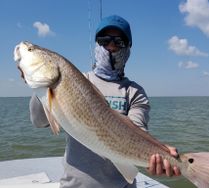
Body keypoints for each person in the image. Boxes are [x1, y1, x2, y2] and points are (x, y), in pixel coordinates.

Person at [29, 15, 180, 188]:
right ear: (96, 45)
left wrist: (161, 153)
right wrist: (40, 87)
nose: (110, 47)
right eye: (104, 40)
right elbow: (39, 122)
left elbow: (136, 131)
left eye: (119, 42)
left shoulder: (134, 92)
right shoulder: (75, 80)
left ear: (129, 47)